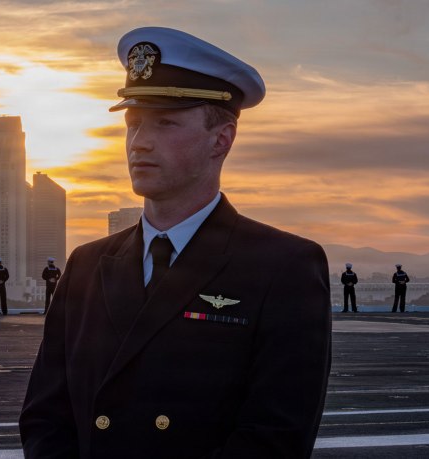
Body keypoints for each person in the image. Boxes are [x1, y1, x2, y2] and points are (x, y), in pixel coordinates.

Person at [20, 27, 331, 458]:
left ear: (221, 140)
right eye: (133, 124)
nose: (139, 143)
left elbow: (275, 435)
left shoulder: (283, 266)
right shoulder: (88, 266)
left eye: (165, 123)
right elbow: (45, 417)